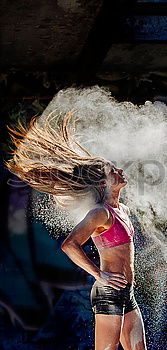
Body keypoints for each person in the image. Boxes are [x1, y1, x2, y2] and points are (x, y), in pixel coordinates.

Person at [6, 111, 147, 350]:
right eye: (112, 170)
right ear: (104, 183)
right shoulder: (100, 213)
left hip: (127, 292)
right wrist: (99, 274)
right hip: (108, 293)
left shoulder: (123, 209)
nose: (119, 171)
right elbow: (69, 245)